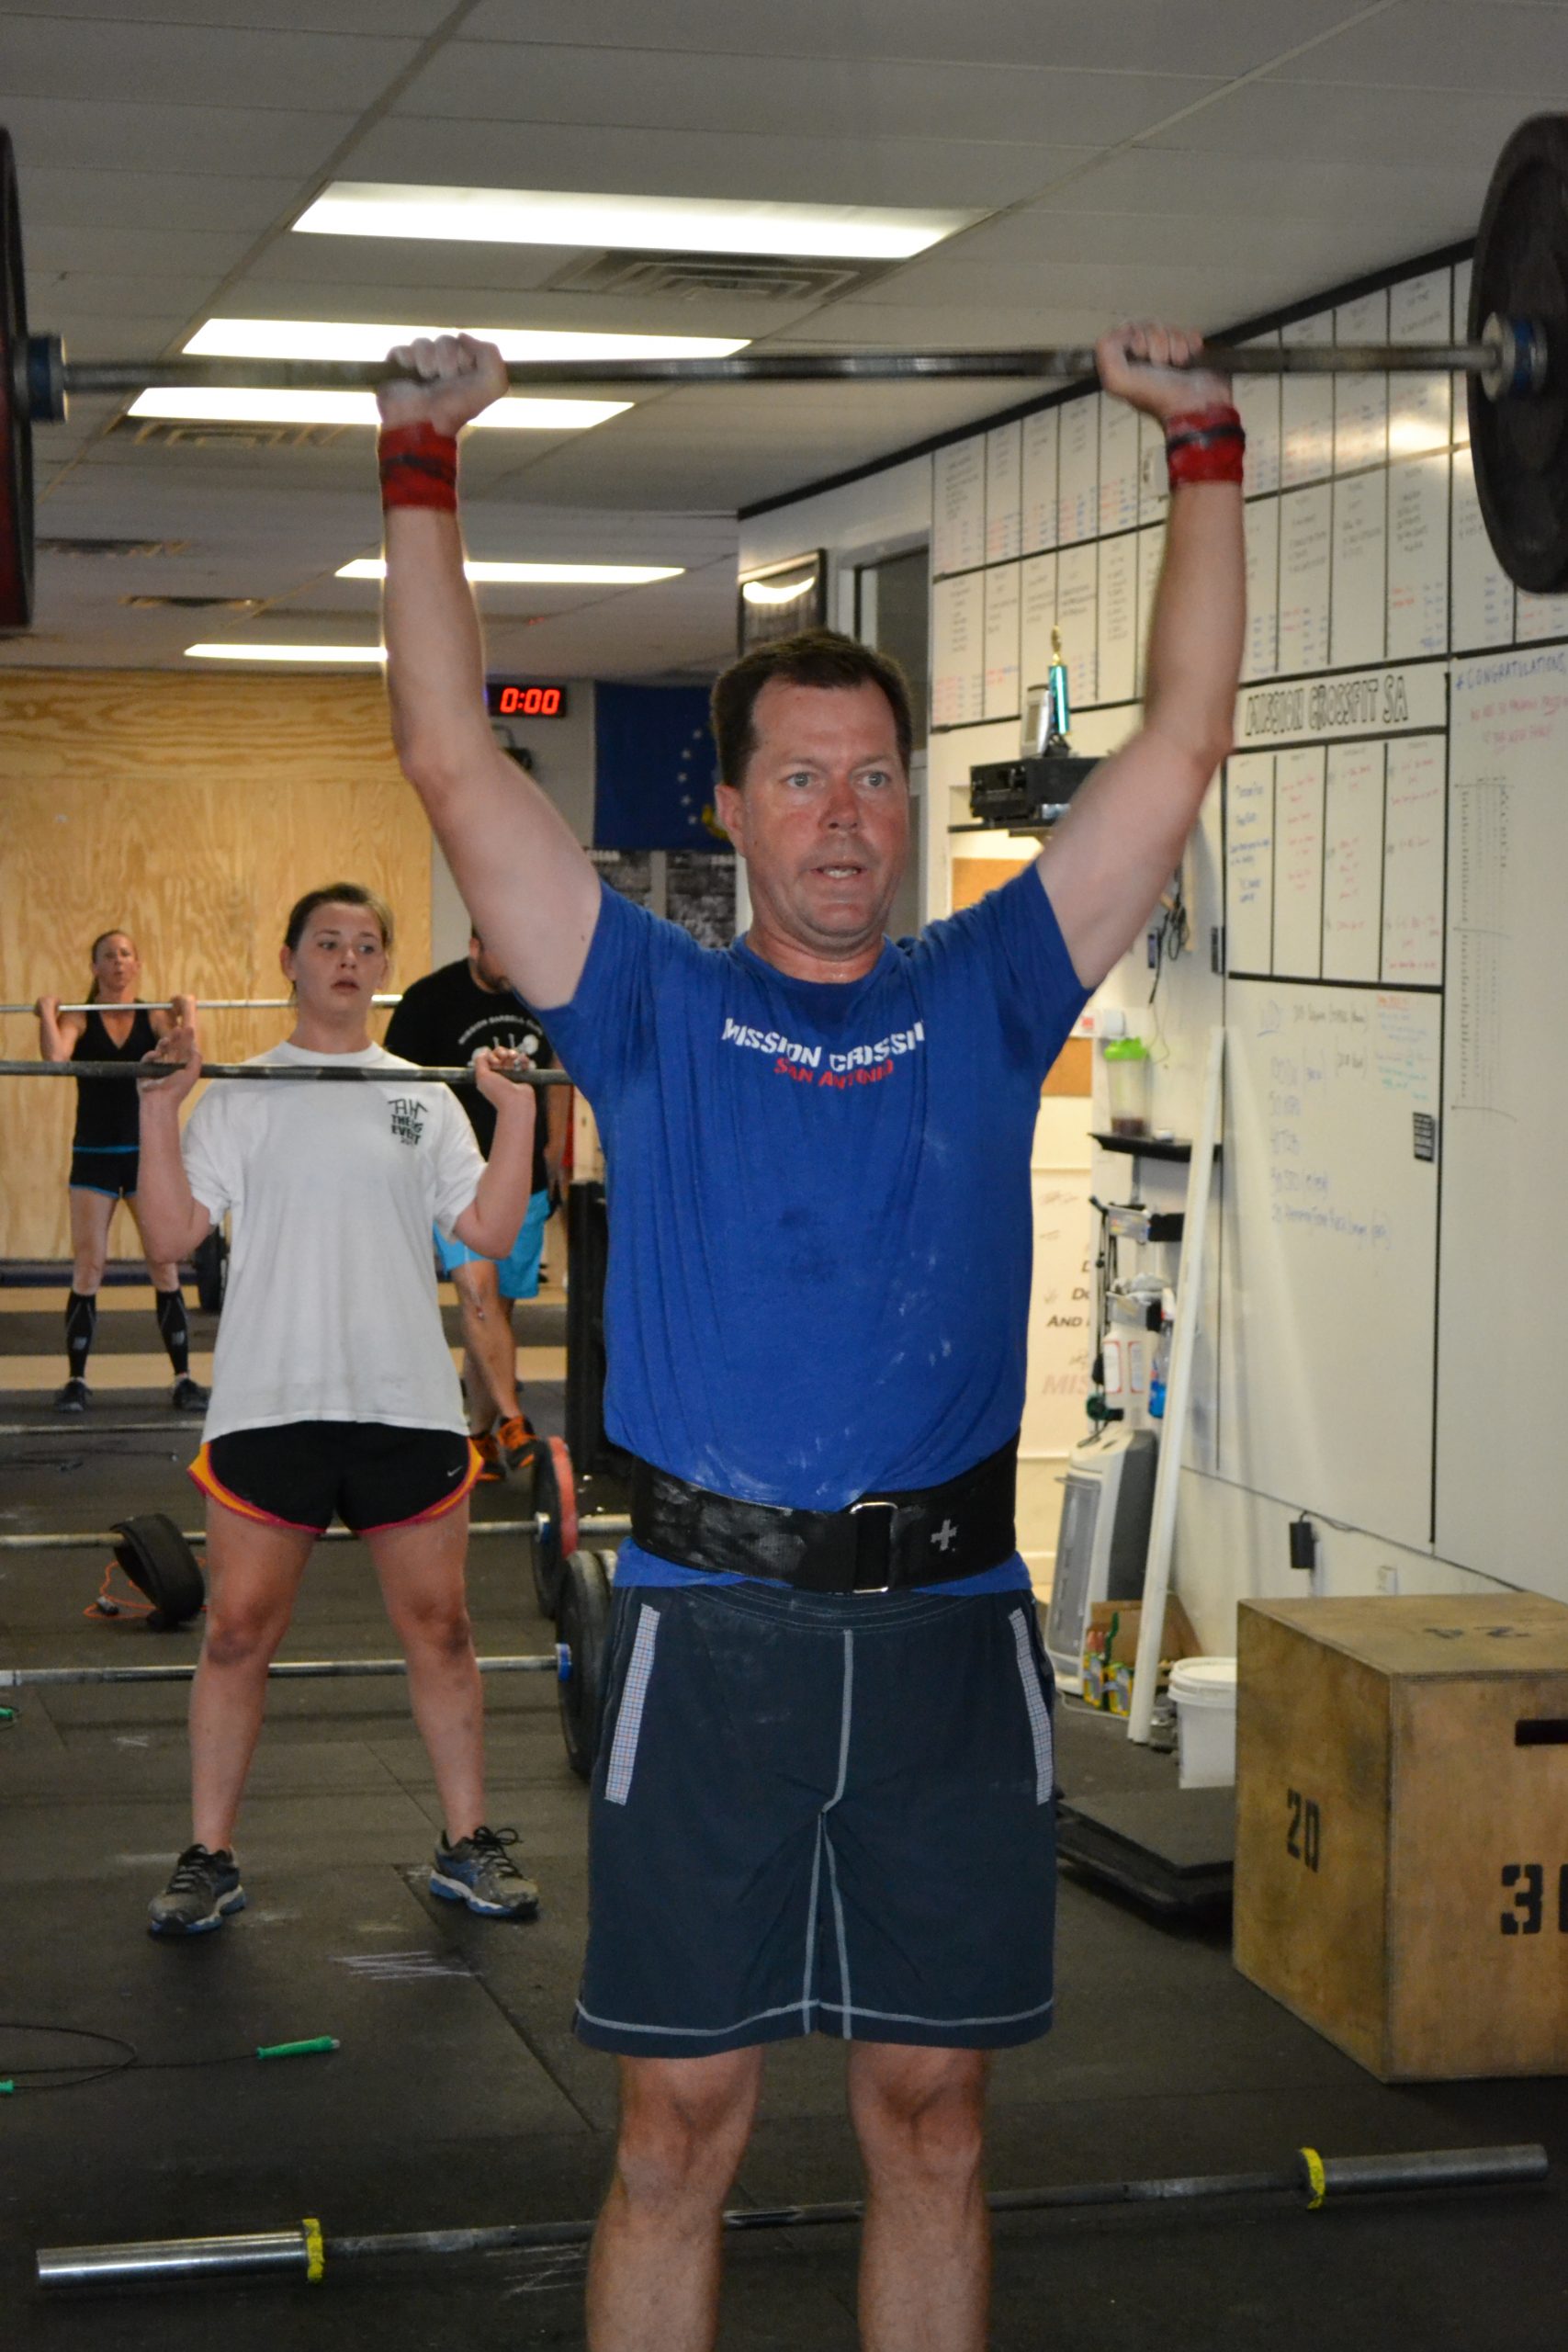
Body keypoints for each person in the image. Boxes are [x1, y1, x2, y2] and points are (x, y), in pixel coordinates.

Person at [378, 323, 1244, 2352]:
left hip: (949, 1635)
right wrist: (421, 466)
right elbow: (453, 761)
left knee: (933, 2119)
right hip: (716, 1634)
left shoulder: (991, 984)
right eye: (801, 777)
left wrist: (1203, 445)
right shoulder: (646, 1001)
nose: (844, 815)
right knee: (676, 2131)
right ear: (735, 806)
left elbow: (1180, 745)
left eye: (873, 777)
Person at [133, 882, 542, 1938]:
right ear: (290, 960)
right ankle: (209, 1855)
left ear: (382, 966)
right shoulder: (241, 1095)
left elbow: (490, 1231)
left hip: (404, 1404)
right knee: (235, 1634)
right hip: (270, 1401)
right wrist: (157, 1107)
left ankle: (467, 1841)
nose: (348, 958)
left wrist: (519, 1113)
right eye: (327, 942)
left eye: (366, 944)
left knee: (443, 1629)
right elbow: (171, 1234)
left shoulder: (422, 1097)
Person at [384, 930, 569, 1482]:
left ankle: (479, 1439)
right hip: (456, 1182)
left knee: (493, 1314)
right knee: (479, 1297)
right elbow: (394, 1090)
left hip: (522, 1178)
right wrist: (409, 1167)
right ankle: (514, 1421)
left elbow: (558, 1071)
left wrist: (554, 1149)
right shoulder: (429, 1000)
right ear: (474, 945)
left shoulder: (539, 996)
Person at [36, 930, 206, 1414]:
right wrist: (47, 1013)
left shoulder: (154, 1016)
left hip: (143, 1155)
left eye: (125, 954)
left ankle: (183, 1379)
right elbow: (56, 1059)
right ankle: (76, 1381)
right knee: (89, 1266)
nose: (117, 962)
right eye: (108, 956)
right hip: (93, 1153)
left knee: (163, 1263)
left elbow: (186, 1061)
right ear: (95, 968)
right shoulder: (79, 1018)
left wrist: (188, 1014)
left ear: (137, 964)